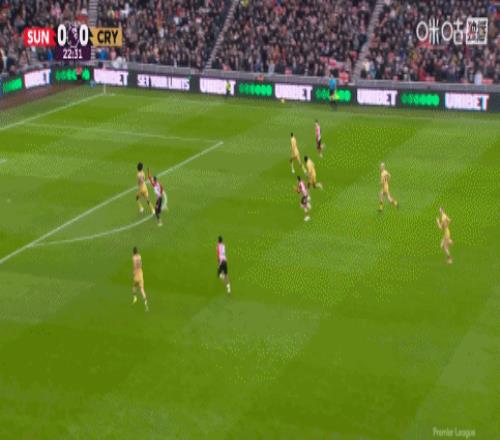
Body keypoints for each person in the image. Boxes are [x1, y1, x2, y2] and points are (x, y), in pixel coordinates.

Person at [132, 246, 149, 311]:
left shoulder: (133, 257)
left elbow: (134, 265)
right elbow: (140, 264)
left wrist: (134, 271)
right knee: (142, 289)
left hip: (136, 274)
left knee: (134, 287)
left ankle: (135, 298)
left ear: (133, 252)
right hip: (141, 273)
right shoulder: (139, 256)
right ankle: (146, 303)